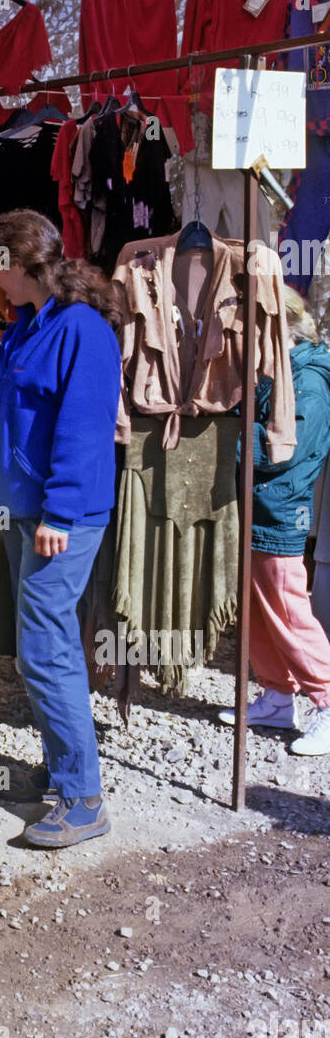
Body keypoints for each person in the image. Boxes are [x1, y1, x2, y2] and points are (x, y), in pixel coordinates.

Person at [0, 209, 122, 849]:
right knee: (43, 645)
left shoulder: (81, 330)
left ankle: (82, 797)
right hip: (24, 515)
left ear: (19, 261)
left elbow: (85, 428)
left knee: (45, 649)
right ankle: (63, 768)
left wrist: (60, 513)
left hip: (58, 519)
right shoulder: (23, 330)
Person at [219, 287, 330, 754]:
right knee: (259, 613)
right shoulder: (282, 370)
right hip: (261, 509)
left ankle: (326, 699)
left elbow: (283, 449)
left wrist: (222, 444)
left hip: (279, 512)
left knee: (287, 613)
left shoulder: (308, 380)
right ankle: (279, 697)